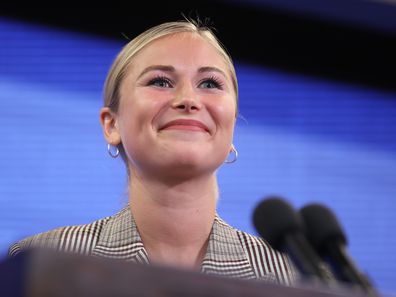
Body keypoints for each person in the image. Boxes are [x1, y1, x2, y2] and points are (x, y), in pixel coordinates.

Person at [8, 18, 297, 285]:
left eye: (209, 83)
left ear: (231, 126)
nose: (188, 100)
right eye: (160, 81)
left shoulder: (292, 278)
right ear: (112, 124)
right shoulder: (41, 264)